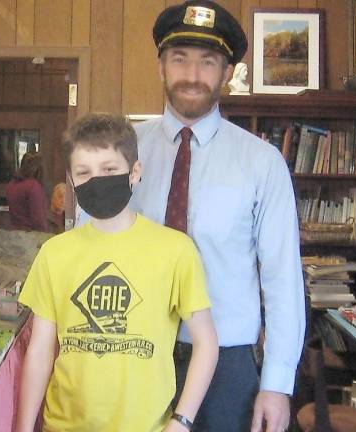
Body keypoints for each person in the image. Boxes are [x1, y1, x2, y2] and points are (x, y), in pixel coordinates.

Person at [130, 2, 306, 431]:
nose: (193, 75)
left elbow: (282, 278)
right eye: (180, 59)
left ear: (227, 73)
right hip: (132, 354)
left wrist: (277, 384)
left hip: (228, 369)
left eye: (208, 62)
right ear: (160, 66)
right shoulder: (121, 151)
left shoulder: (262, 163)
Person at [16, 113, 218, 432]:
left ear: (134, 172)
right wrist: (24, 427)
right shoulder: (54, 254)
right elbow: (40, 349)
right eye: (84, 172)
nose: (97, 180)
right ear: (71, 179)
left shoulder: (176, 250)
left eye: (109, 169)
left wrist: (181, 422)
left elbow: (206, 342)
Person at [6, 151, 49, 232]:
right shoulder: (33, 186)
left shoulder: (11, 184)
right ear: (40, 170)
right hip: (30, 236)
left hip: (14, 234)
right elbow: (38, 220)